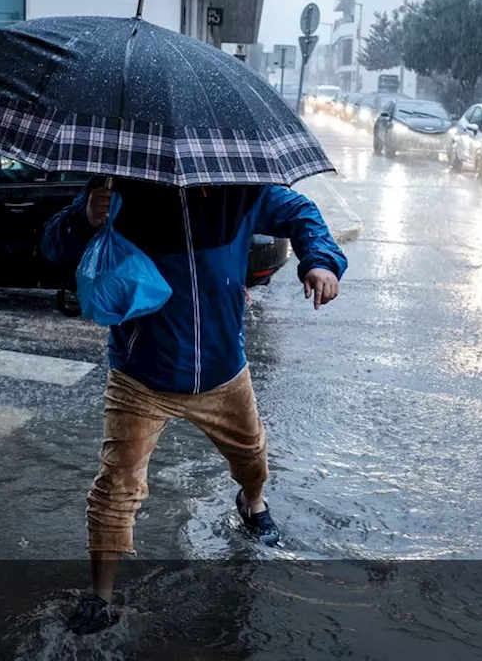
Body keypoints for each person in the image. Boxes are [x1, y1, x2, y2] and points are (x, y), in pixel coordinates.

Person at [41, 176, 347, 635]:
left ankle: (253, 502)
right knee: (116, 488)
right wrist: (85, 218)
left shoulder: (239, 190)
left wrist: (320, 261)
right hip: (140, 373)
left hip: (224, 371)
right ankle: (100, 598)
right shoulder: (117, 185)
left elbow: (300, 212)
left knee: (251, 457)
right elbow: (52, 246)